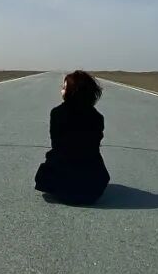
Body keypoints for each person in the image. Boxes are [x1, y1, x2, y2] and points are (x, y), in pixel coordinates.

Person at [34, 70, 110, 205]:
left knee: (47, 168)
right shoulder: (97, 117)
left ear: (72, 91)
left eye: (64, 88)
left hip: (62, 187)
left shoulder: (57, 113)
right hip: (93, 189)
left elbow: (56, 145)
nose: (61, 91)